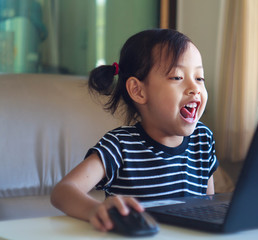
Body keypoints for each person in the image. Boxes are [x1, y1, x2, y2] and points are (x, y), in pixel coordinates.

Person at [51, 28, 218, 232]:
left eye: (200, 78)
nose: (195, 88)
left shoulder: (203, 139)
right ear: (138, 91)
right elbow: (63, 192)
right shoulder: (120, 145)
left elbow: (210, 204)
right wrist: (95, 210)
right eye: (177, 77)